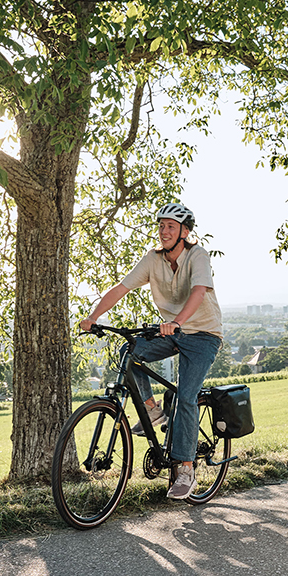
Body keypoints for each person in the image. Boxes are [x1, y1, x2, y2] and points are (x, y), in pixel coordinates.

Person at [79, 203, 223, 501]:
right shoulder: (152, 259)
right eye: (161, 226)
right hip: (172, 331)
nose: (164, 231)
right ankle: (152, 410)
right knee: (129, 352)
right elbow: (121, 288)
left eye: (171, 226)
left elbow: (198, 291)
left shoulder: (198, 256)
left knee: (186, 396)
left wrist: (177, 322)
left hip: (203, 335)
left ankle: (185, 469)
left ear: (185, 232)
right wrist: (93, 317)